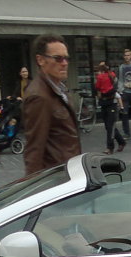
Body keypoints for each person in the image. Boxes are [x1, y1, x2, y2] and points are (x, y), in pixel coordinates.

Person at [23, 34, 82, 177]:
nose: (64, 63)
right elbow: (34, 149)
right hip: (57, 177)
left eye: (66, 58)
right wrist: (35, 188)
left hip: (70, 172)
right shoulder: (39, 96)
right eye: (58, 58)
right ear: (40, 60)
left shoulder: (60, 89)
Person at [94, 61, 127, 154]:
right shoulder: (112, 75)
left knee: (108, 126)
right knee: (110, 126)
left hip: (104, 102)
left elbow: (97, 87)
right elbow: (115, 84)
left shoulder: (100, 77)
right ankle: (121, 142)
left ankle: (110, 147)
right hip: (112, 102)